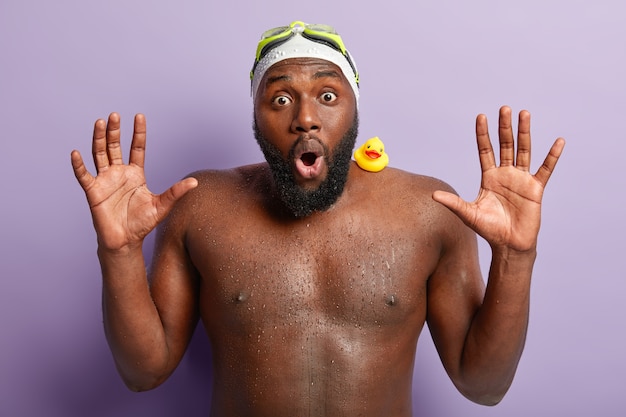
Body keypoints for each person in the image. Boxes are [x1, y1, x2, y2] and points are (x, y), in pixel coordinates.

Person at [71, 20, 565, 416]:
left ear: (354, 111)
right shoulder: (200, 205)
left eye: (328, 96)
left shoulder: (429, 210)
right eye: (281, 98)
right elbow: (144, 372)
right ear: (256, 117)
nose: (305, 117)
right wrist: (118, 254)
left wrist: (516, 258)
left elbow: (483, 385)